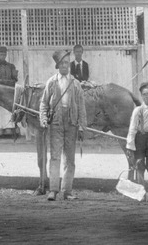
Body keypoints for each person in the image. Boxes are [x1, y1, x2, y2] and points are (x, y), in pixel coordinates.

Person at [39, 50, 86, 201]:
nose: (65, 66)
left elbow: (81, 106)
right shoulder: (52, 82)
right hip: (56, 123)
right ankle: (53, 190)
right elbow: (44, 103)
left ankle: (67, 191)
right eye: (62, 63)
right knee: (55, 157)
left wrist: (81, 126)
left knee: (70, 159)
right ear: (58, 66)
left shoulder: (76, 83)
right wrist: (44, 119)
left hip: (71, 123)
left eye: (67, 63)